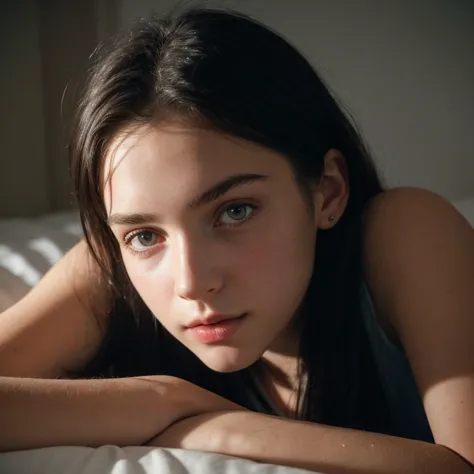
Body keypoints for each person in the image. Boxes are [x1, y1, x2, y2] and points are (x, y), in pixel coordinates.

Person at [1, 6, 473, 473]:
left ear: (328, 190)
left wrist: (211, 427)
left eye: (235, 211)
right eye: (145, 234)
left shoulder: (405, 232)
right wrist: (158, 398)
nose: (191, 282)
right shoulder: (111, 269)